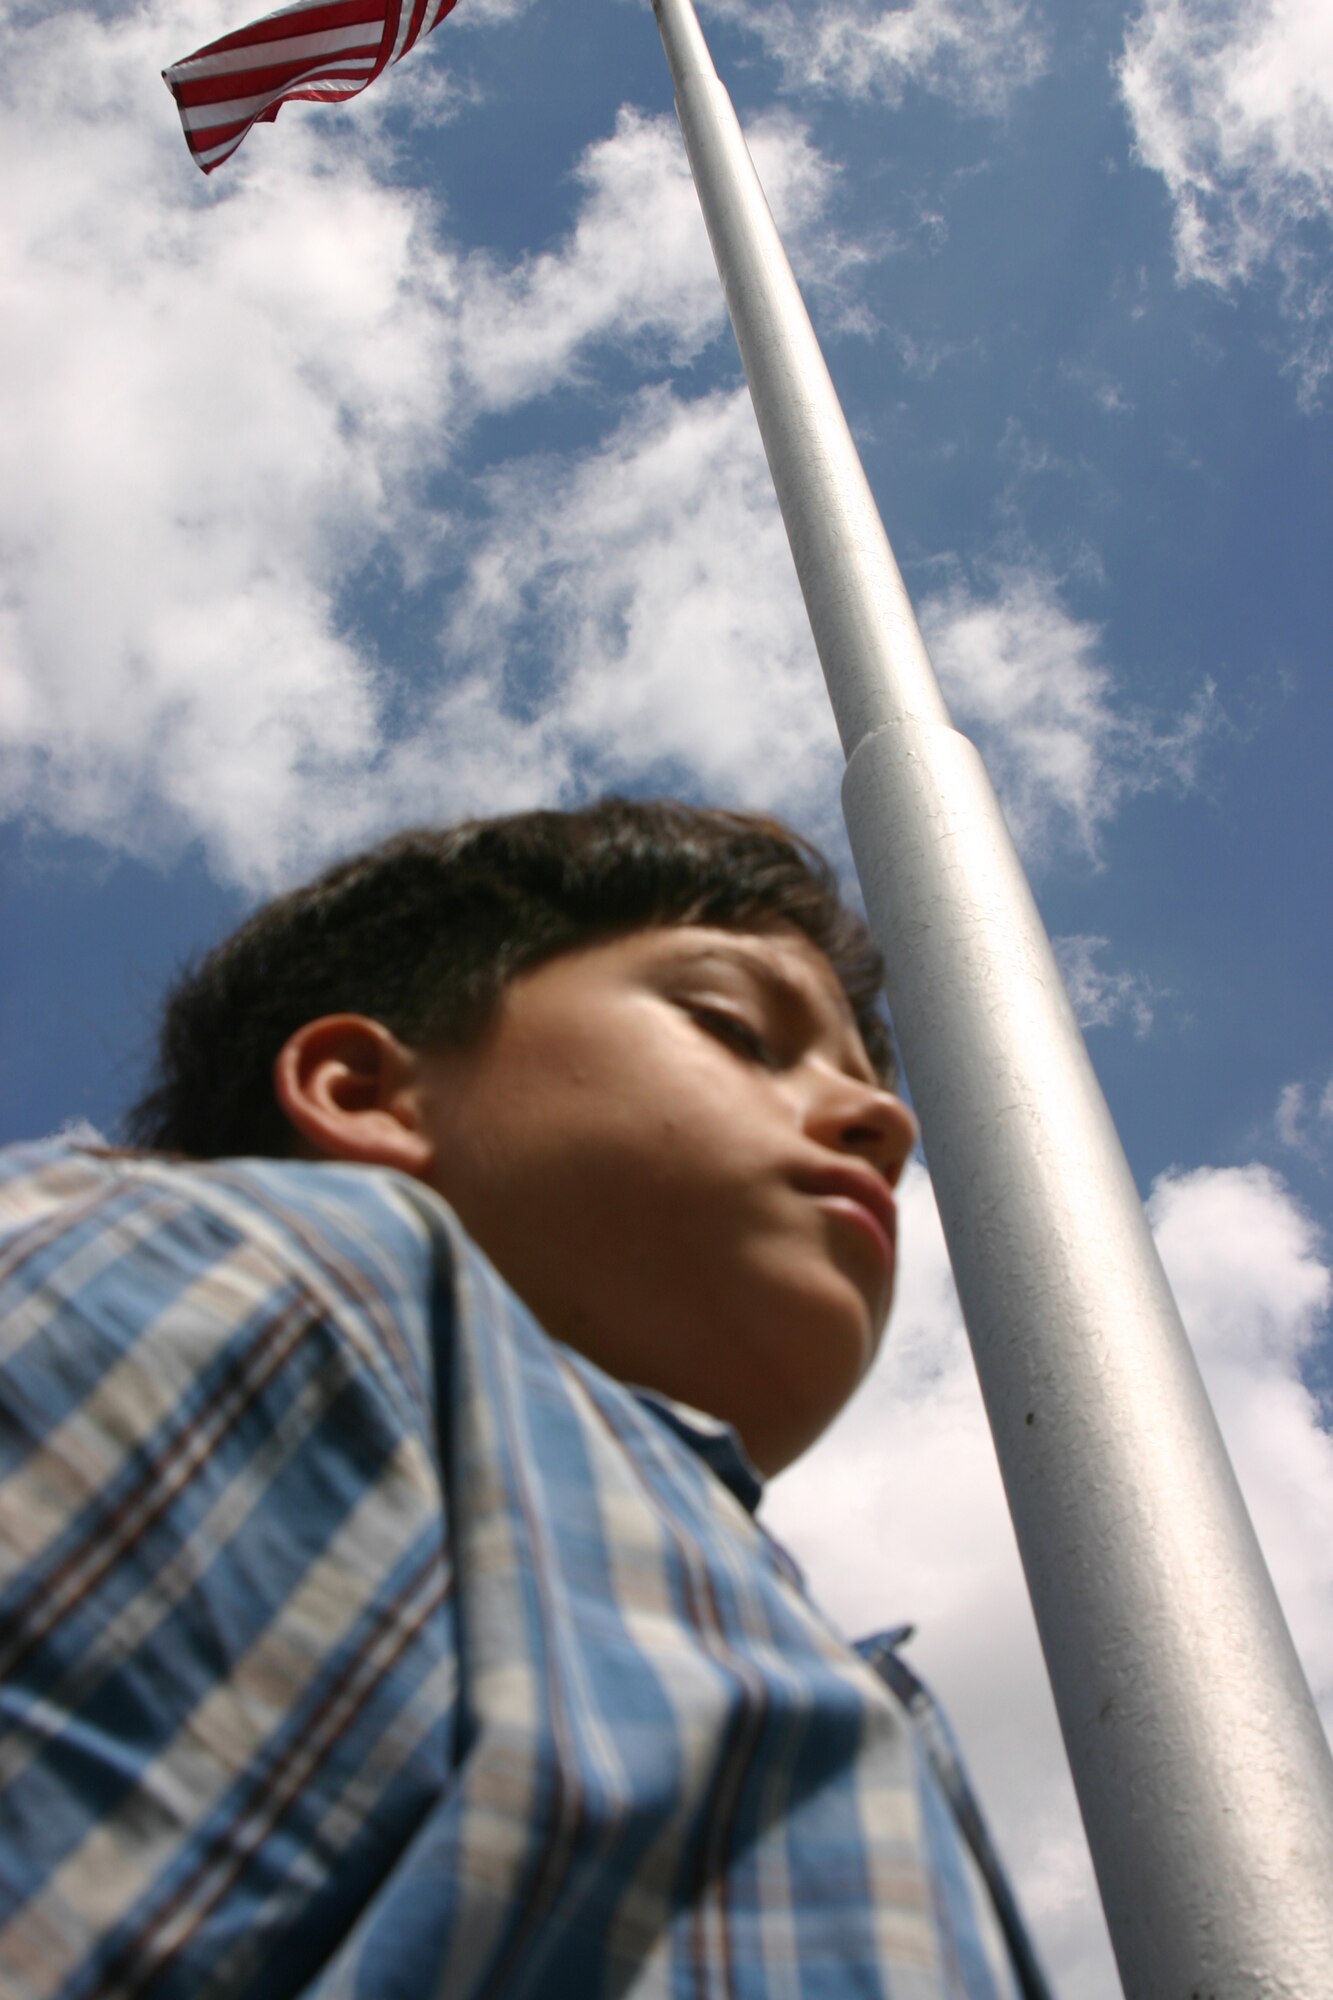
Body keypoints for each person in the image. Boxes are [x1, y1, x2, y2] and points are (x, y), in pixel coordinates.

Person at [0, 797, 1047, 1999]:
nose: (884, 1121)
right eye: (735, 1027)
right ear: (362, 1089)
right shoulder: (270, 1278)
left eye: (868, 1084)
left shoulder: (786, 1648)